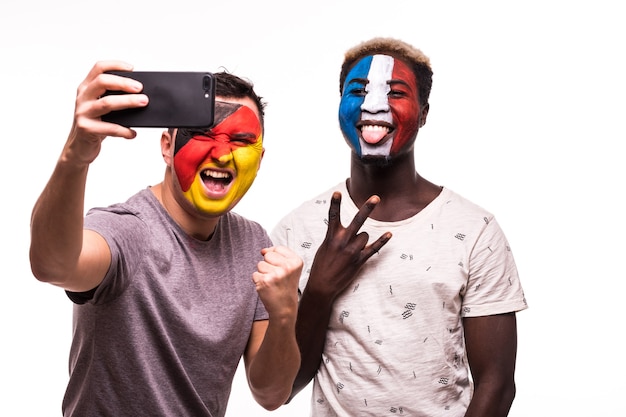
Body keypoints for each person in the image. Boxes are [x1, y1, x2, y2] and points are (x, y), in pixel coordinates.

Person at [271, 37, 528, 416]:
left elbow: (497, 384)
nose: (373, 104)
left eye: (395, 93)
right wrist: (320, 290)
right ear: (340, 105)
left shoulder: (475, 230)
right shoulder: (296, 231)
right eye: (358, 90)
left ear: (423, 113)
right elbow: (284, 387)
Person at [29, 61, 302, 417]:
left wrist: (283, 314)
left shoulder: (252, 243)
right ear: (167, 146)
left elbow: (271, 394)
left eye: (240, 139)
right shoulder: (129, 229)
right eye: (203, 134)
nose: (222, 154)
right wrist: (75, 155)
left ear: (259, 158)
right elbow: (52, 265)